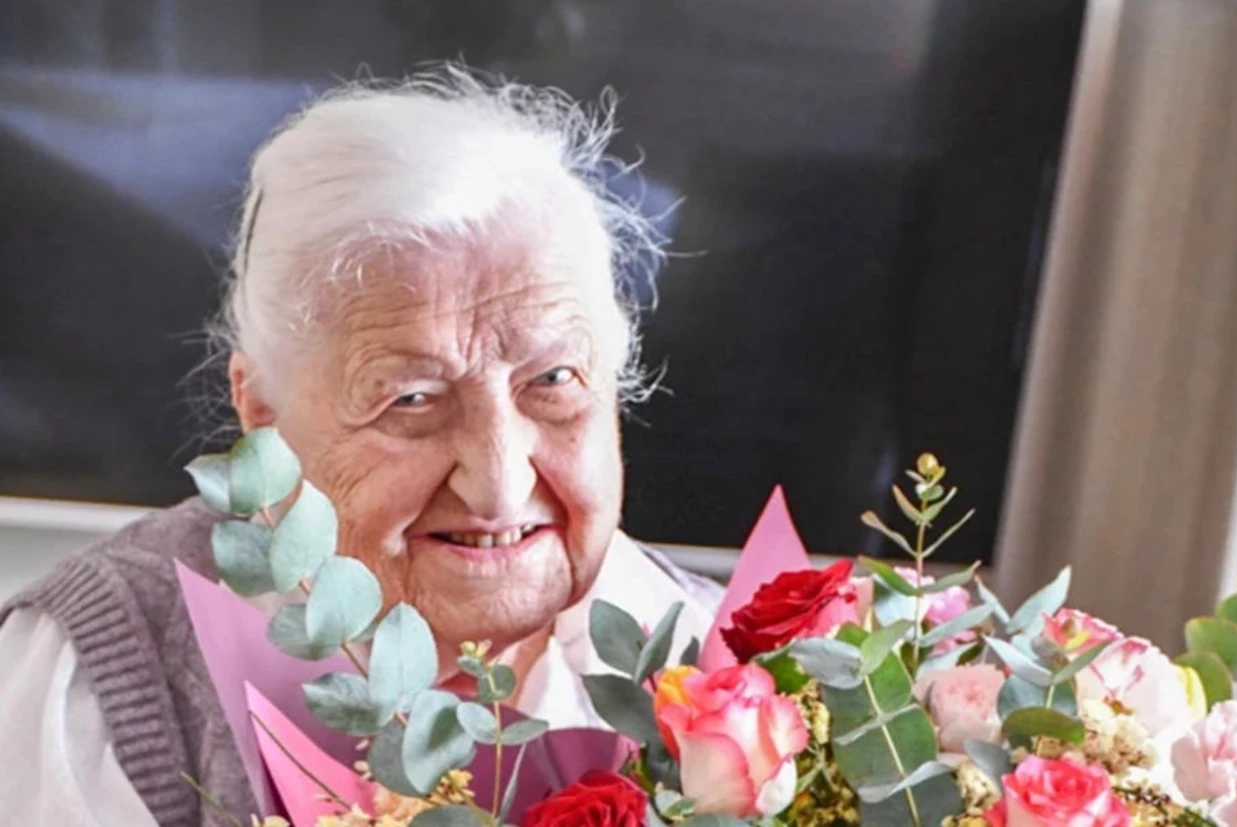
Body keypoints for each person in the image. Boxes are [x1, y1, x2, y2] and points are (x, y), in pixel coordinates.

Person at [0, 68, 720, 827]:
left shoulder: (737, 670)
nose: (499, 484)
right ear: (262, 412)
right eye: (411, 398)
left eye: (553, 380)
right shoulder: (90, 688)